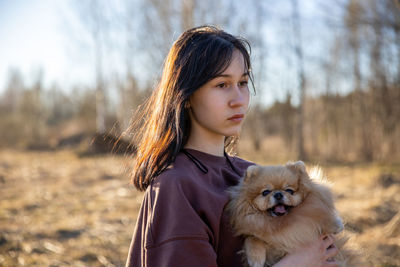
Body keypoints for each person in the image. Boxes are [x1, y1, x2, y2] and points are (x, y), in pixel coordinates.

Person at [125, 25, 339, 267]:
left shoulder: (251, 175)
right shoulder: (177, 186)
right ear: (185, 95)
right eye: (222, 85)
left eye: (243, 82)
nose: (238, 100)